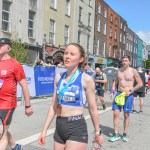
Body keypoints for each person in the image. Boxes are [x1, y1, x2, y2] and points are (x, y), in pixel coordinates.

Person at [38, 43, 103, 150]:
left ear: (81, 59)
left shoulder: (86, 79)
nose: (67, 56)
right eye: (66, 53)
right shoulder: (58, 77)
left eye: (72, 54)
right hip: (59, 126)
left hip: (76, 127)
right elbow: (53, 106)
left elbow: (93, 108)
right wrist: (44, 131)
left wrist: (97, 133)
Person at [0, 38, 33, 150]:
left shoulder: (14, 64)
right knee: (2, 130)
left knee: (3, 133)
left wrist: (28, 106)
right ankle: (15, 146)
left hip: (7, 104)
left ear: (8, 48)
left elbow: (24, 85)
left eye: (1, 45)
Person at [109, 55, 143, 142]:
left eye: (126, 61)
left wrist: (132, 90)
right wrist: (112, 91)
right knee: (116, 113)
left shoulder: (133, 71)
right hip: (119, 94)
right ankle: (116, 133)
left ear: (129, 62)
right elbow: (115, 82)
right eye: (123, 60)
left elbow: (140, 83)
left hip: (129, 95)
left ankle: (124, 133)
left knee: (126, 115)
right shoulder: (119, 71)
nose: (124, 62)